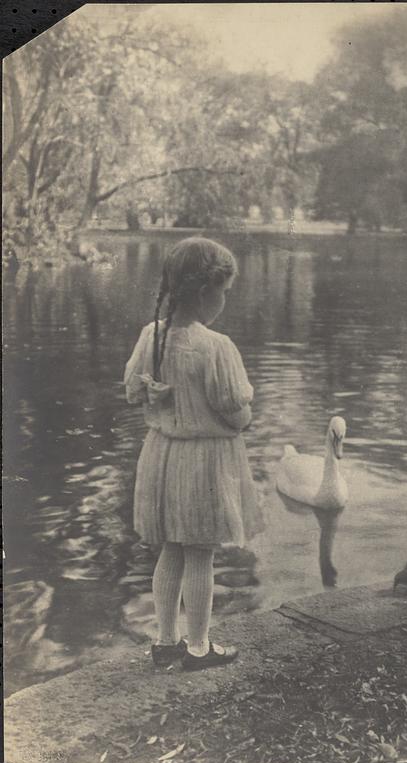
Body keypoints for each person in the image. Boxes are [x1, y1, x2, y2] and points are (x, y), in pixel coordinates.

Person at [124, 237, 263, 670]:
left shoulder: (153, 336)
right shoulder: (216, 347)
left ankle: (165, 641)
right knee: (201, 552)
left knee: (171, 550)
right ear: (206, 292)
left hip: (161, 457)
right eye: (224, 292)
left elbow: (132, 391)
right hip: (203, 464)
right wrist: (239, 419)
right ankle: (200, 647)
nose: (224, 300)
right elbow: (236, 412)